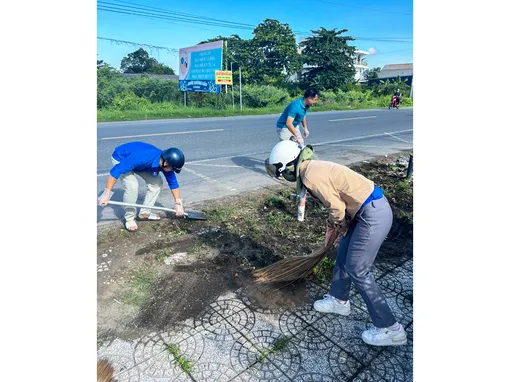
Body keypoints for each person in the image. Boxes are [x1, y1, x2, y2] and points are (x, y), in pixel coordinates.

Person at [264, 140, 407, 347]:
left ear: (286, 166)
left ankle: (391, 329)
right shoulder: (311, 169)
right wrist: (336, 224)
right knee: (343, 256)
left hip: (373, 213)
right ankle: (340, 301)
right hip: (363, 211)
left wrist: (338, 225)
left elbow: (336, 207)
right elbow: (337, 201)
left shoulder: (310, 175)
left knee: (358, 269)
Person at [98, 142, 186, 232]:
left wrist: (178, 203)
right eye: (172, 168)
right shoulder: (143, 158)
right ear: (166, 163)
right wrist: (106, 194)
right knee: (132, 186)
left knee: (157, 182)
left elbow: (173, 183)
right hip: (122, 158)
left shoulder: (165, 162)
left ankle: (144, 213)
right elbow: (115, 171)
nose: (172, 171)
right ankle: (129, 218)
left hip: (140, 165)